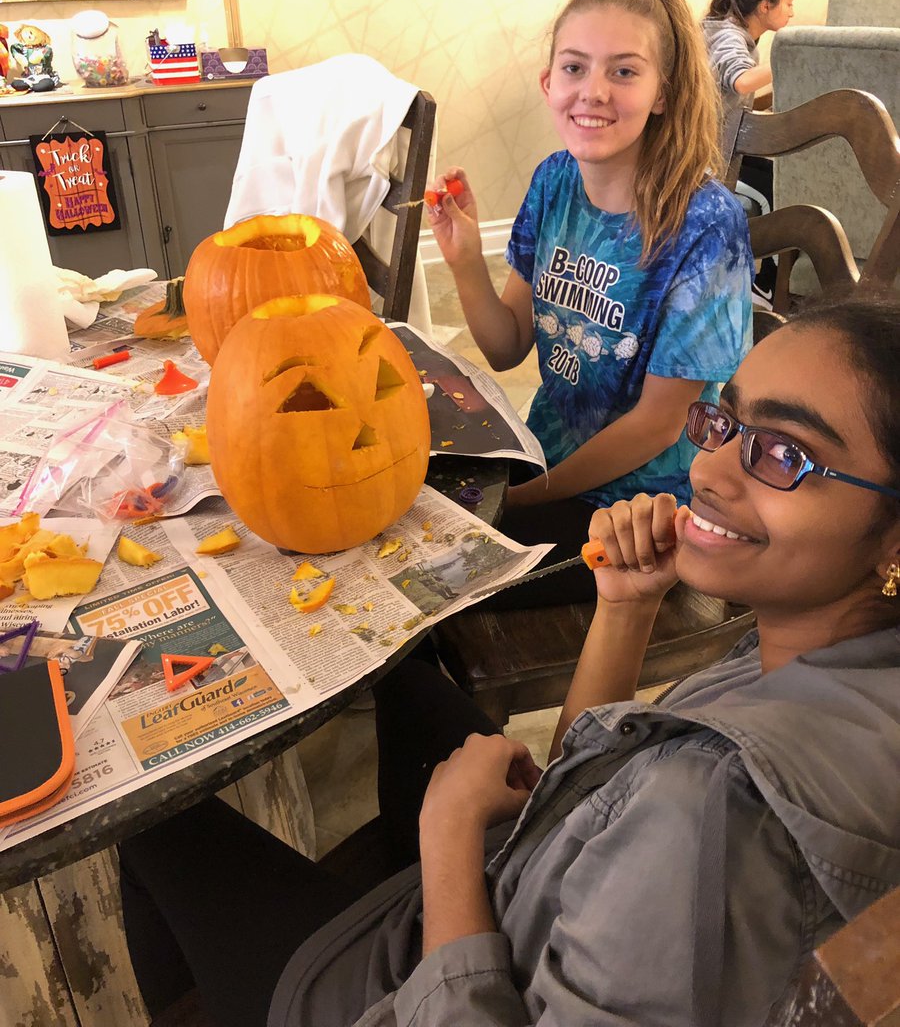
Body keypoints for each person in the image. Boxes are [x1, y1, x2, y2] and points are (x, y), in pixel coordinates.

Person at [118, 287, 900, 1027]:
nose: (705, 471)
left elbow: (660, 821)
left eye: (783, 455)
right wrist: (625, 608)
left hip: (411, 991)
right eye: (724, 424)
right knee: (415, 684)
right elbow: (598, 802)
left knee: (153, 813)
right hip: (532, 889)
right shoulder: (832, 652)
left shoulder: (714, 812)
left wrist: (448, 838)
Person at [427, 0, 753, 607]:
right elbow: (506, 346)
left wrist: (523, 499)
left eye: (624, 72)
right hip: (545, 456)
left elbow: (660, 426)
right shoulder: (554, 183)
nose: (593, 92)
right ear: (549, 83)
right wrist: (466, 260)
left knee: (437, 586)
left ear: (662, 91)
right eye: (575, 68)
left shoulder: (707, 225)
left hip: (645, 513)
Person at [701, 0, 795, 306]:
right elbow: (740, 81)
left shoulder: (730, 32)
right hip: (706, 160)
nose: (793, 11)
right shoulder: (728, 36)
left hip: (714, 146)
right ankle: (765, 286)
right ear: (765, 6)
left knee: (779, 177)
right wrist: (792, 60)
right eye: (789, 2)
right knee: (777, 189)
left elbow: (733, 99)